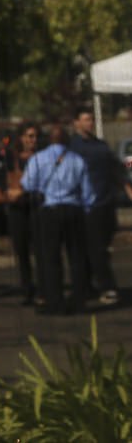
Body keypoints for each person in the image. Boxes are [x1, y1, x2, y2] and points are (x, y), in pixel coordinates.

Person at [22, 123, 95, 315]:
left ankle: (55, 302)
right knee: (77, 257)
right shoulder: (77, 160)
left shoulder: (39, 158)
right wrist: (85, 209)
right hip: (73, 209)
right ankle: (79, 300)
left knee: (51, 258)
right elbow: (88, 192)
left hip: (50, 210)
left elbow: (28, 184)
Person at [70, 108, 129, 304]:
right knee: (95, 248)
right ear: (76, 123)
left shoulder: (101, 145)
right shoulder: (73, 147)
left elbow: (117, 169)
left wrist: (126, 187)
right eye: (85, 119)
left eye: (91, 119)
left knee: (100, 246)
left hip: (106, 202)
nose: (90, 123)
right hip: (87, 205)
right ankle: (107, 286)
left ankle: (90, 286)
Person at [0, 123, 41, 304]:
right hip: (17, 209)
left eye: (35, 136)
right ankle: (27, 289)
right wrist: (6, 193)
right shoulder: (11, 159)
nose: (32, 140)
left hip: (35, 207)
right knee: (22, 252)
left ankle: (43, 288)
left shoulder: (40, 158)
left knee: (40, 250)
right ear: (21, 138)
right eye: (29, 136)